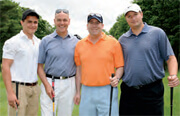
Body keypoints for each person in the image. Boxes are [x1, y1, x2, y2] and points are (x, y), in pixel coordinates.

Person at [118, 4, 180, 115]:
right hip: (128, 92)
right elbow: (120, 64)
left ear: (141, 14)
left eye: (135, 14)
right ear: (126, 19)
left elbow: (170, 58)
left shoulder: (157, 33)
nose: (133, 18)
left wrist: (173, 74)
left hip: (152, 91)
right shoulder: (122, 39)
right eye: (129, 16)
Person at [74, 13, 124, 116]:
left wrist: (117, 77)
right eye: (91, 23)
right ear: (87, 25)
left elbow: (120, 66)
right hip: (87, 90)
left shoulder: (113, 43)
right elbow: (78, 70)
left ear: (102, 26)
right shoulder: (80, 44)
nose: (94, 25)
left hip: (107, 89)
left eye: (97, 23)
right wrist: (78, 92)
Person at [37, 9, 79, 116]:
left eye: (64, 20)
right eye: (59, 20)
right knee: (47, 114)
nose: (62, 23)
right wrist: (46, 85)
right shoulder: (46, 41)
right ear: (54, 21)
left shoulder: (76, 42)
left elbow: (80, 66)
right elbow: (39, 66)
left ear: (69, 21)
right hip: (49, 82)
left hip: (69, 83)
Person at [2, 9, 40, 116]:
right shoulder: (13, 42)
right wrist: (10, 93)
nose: (33, 25)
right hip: (19, 88)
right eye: (29, 22)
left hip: (34, 88)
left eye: (35, 22)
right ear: (22, 22)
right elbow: (5, 67)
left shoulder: (39, 43)